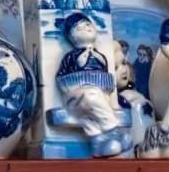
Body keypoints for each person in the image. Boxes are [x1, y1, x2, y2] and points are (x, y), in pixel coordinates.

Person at [53, 12, 131, 157]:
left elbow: (106, 77)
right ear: (72, 37)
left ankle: (100, 144)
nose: (86, 28)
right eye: (80, 28)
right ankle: (114, 131)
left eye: (88, 24)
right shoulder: (70, 57)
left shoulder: (101, 57)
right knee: (90, 95)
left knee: (89, 114)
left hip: (95, 98)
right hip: (75, 98)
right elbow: (61, 78)